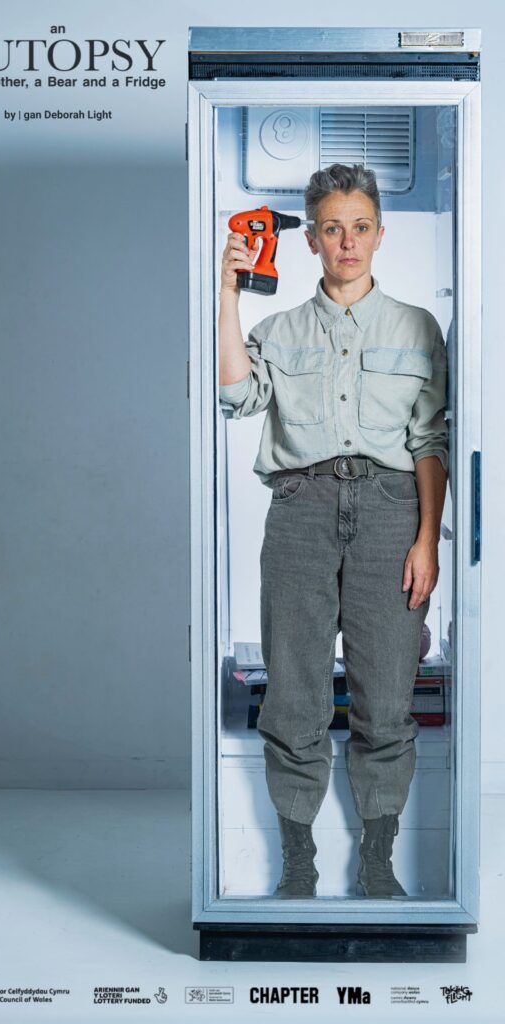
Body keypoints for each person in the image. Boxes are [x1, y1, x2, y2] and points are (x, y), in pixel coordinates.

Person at [218, 163, 449, 899]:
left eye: (359, 227)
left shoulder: (417, 326)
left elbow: (430, 443)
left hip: (391, 513)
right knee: (294, 695)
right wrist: (226, 290)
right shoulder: (277, 329)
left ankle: (377, 866)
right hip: (301, 512)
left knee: (386, 699)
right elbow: (234, 395)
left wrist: (426, 540)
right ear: (312, 240)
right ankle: (298, 864)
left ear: (380, 233)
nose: (347, 242)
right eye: (331, 229)